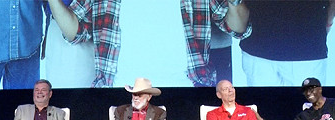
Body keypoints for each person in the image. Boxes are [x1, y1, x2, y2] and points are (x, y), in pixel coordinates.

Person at [46, 0, 251, 87]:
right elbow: (75, 31)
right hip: (119, 90)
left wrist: (234, 1)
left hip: (185, 88)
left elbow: (238, 27)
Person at [239, 0, 335, 86]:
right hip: (307, 43)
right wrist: (327, 20)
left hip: (260, 43)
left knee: (264, 108)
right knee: (308, 109)